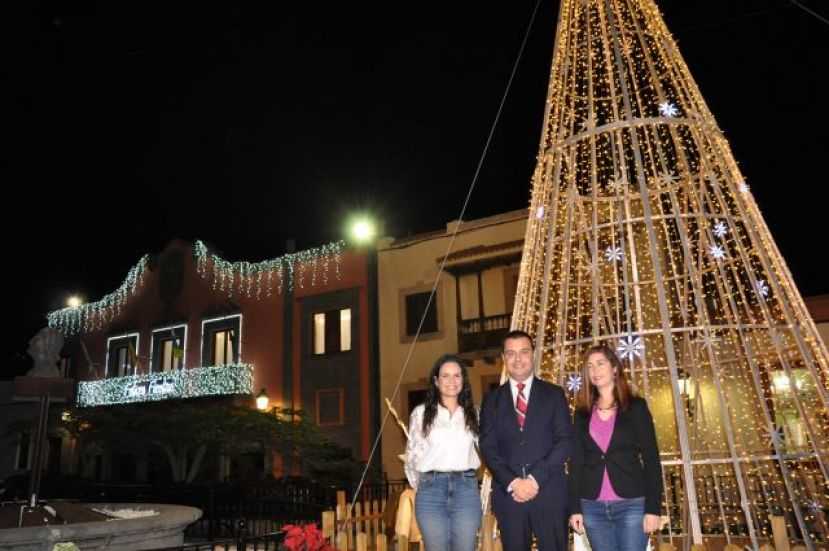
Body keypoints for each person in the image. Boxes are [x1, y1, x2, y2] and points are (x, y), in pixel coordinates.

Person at [480, 330, 573, 551]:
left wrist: (533, 480)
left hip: (549, 493)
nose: (517, 359)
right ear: (504, 359)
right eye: (511, 353)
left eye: (523, 352)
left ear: (533, 355)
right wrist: (513, 483)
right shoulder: (491, 400)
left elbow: (564, 441)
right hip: (509, 498)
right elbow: (488, 447)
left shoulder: (554, 394)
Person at [569, 344, 663, 551]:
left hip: (631, 504)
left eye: (600, 363)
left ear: (614, 368)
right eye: (590, 366)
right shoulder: (582, 413)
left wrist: (653, 509)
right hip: (592, 506)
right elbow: (576, 463)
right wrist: (574, 508)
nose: (595, 370)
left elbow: (652, 460)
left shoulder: (636, 407)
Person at [405, 354, 482, 551]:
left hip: (466, 490)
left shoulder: (474, 413)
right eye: (445, 376)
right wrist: (423, 485)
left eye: (457, 376)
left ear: (463, 380)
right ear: (436, 381)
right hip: (431, 492)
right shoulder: (421, 413)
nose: (451, 381)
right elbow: (412, 457)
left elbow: (488, 449)